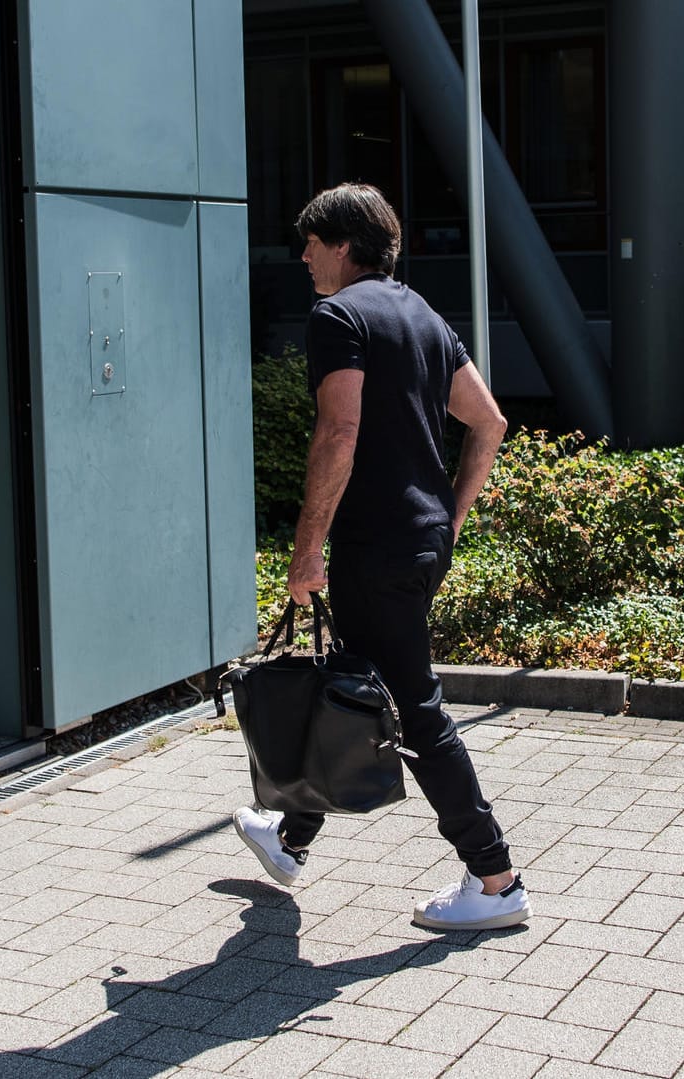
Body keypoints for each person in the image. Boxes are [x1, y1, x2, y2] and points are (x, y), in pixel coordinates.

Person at [232, 183, 527, 932]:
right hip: (421, 541)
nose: (301, 256)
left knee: (413, 709)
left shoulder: (338, 316)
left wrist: (305, 553)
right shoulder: (420, 313)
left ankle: (494, 878)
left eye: (310, 242)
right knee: (352, 685)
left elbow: (338, 433)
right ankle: (291, 837)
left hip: (376, 546)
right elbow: (487, 422)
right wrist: (450, 517)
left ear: (343, 245)